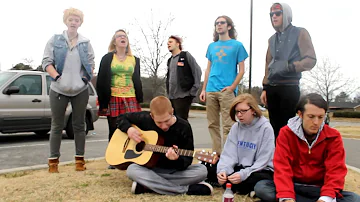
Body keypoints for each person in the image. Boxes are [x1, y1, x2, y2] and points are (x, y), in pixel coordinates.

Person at [255, 93, 360, 202]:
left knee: (355, 199)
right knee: (262, 187)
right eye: (311, 117)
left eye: (320, 117)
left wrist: (325, 198)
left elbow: (335, 170)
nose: (316, 122)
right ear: (300, 114)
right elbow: (282, 168)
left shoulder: (333, 136)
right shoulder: (286, 133)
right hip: (293, 186)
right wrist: (287, 197)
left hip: (319, 188)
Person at [116, 96, 213, 195]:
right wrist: (129, 129)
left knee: (202, 171)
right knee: (132, 170)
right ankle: (184, 190)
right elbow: (121, 118)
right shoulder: (145, 118)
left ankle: (147, 185)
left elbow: (187, 161)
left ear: (172, 112)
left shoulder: (184, 127)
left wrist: (176, 159)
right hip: (150, 169)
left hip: (173, 172)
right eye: (159, 122)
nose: (164, 126)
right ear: (152, 116)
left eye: (167, 121)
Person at [42, 8, 95, 173]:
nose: (74, 22)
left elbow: (91, 63)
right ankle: (53, 162)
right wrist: (57, 77)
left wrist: (85, 79)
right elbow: (46, 62)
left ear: (80, 23)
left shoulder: (85, 43)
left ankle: (79, 161)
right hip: (58, 89)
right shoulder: (55, 40)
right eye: (71, 19)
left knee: (79, 125)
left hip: (80, 90)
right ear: (66, 21)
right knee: (57, 125)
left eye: (77, 20)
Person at [260, 3, 317, 139]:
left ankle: (290, 158)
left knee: (289, 128)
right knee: (274, 128)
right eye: (272, 14)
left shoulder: (300, 32)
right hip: (272, 88)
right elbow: (268, 64)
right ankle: (277, 158)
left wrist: (291, 67)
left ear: (286, 15)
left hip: (289, 87)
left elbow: (311, 59)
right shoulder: (272, 39)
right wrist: (265, 87)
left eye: (278, 13)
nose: (274, 17)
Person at [199, 15, 248, 154]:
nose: (219, 25)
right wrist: (204, 89)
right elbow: (208, 69)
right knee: (212, 125)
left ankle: (228, 155)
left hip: (226, 90)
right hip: (211, 89)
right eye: (216, 23)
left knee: (229, 125)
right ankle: (217, 154)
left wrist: (232, 87)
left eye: (222, 23)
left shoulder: (237, 45)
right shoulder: (212, 46)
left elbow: (242, 70)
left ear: (229, 26)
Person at [96, 29, 143, 169]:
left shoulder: (134, 60)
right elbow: (101, 80)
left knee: (133, 127)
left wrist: (140, 98)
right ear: (114, 41)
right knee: (114, 128)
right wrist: (103, 102)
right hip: (114, 97)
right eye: (119, 36)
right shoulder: (107, 58)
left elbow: (137, 80)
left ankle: (132, 157)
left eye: (124, 36)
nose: (122, 38)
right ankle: (113, 158)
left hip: (130, 97)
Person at [217, 93, 275, 199]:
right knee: (217, 171)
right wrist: (223, 170)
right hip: (241, 168)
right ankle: (242, 188)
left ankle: (240, 187)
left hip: (259, 170)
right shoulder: (236, 127)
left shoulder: (266, 128)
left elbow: (263, 161)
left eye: (243, 111)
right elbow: (229, 154)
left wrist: (243, 174)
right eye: (237, 111)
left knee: (255, 180)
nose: (239, 115)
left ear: (253, 110)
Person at [166, 35, 202, 121]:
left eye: (170, 42)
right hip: (172, 97)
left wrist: (193, 91)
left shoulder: (185, 55)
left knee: (182, 121)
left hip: (184, 95)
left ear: (178, 44)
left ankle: (186, 135)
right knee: (173, 122)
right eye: (167, 43)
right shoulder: (170, 60)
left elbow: (197, 71)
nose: (168, 44)